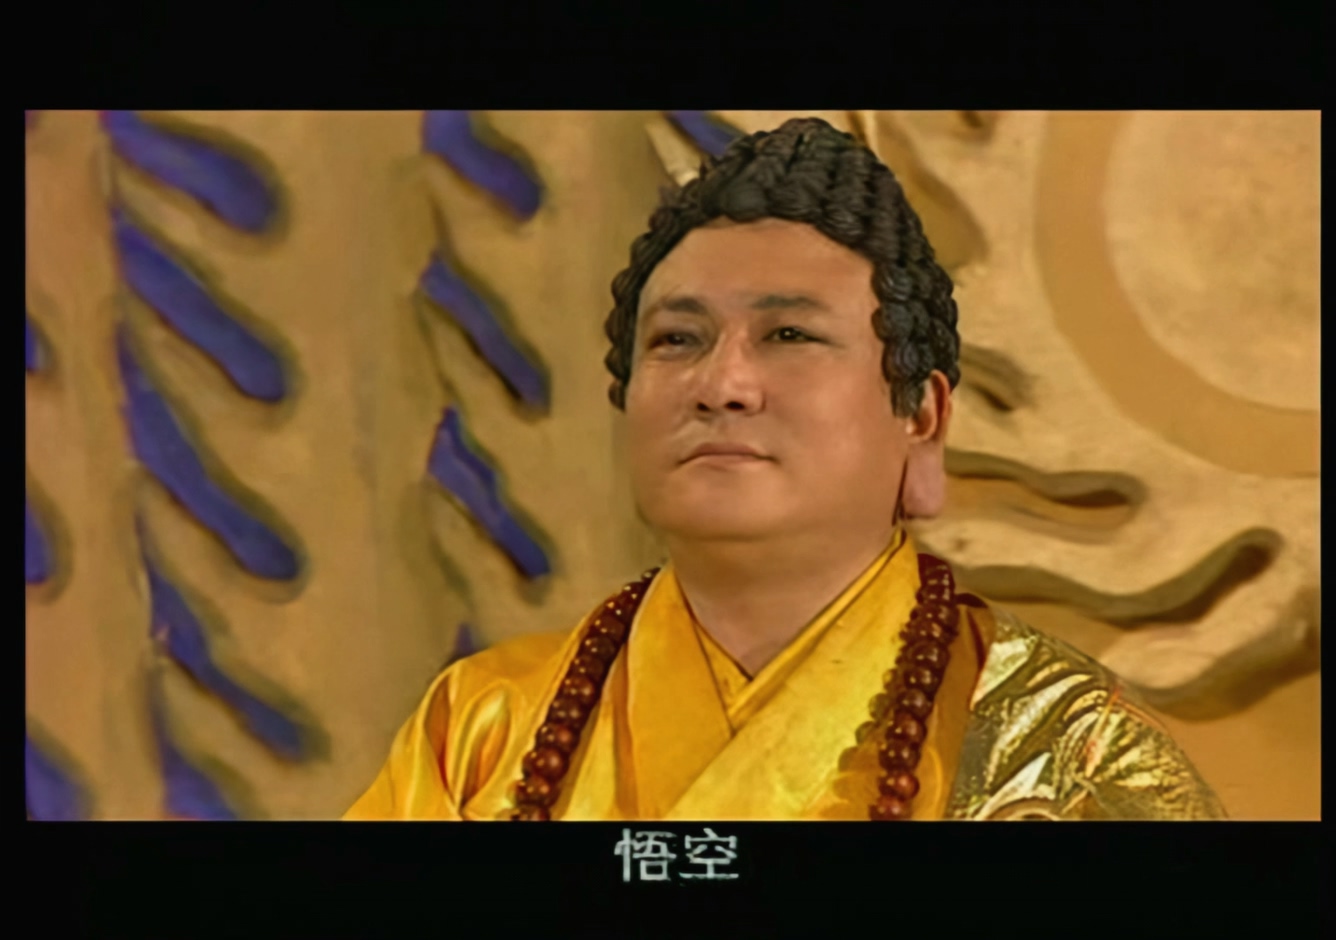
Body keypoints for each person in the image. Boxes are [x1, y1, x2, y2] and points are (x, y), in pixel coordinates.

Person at [345, 117, 1224, 821]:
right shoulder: (483, 729)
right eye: (677, 339)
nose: (721, 384)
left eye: (790, 334)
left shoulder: (1066, 758)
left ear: (920, 416)